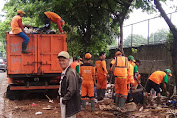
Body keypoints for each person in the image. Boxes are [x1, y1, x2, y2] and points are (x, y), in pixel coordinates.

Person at [58, 51, 81, 118]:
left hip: (69, 103)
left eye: (63, 60)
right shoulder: (65, 71)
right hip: (68, 102)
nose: (61, 62)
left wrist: (64, 100)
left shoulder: (70, 73)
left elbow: (72, 89)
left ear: (68, 60)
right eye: (60, 60)